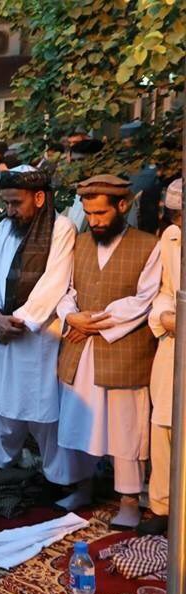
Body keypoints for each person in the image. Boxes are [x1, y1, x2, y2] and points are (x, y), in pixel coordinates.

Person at [0, 167, 96, 507]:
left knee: (44, 413)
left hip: (37, 336)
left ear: (40, 198)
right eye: (6, 203)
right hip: (0, 329)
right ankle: (4, 469)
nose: (10, 210)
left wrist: (20, 321)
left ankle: (65, 482)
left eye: (16, 203)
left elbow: (55, 281)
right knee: (4, 408)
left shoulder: (62, 229)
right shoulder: (4, 228)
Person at [57, 174, 161, 529]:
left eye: (101, 213)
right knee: (79, 419)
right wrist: (71, 316)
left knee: (126, 428)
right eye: (89, 213)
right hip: (81, 348)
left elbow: (144, 300)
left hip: (123, 349)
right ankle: (82, 486)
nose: (94, 221)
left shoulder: (149, 245)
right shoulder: (79, 243)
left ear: (123, 206)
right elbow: (66, 289)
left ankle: (129, 501)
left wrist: (93, 323)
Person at [141, 178, 182, 536]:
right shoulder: (171, 238)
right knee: (164, 423)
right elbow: (165, 289)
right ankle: (162, 506)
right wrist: (165, 314)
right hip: (172, 342)